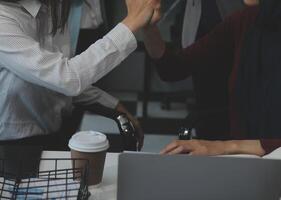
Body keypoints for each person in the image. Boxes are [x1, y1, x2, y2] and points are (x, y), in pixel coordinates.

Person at [0, 0, 161, 150]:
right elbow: (67, 78)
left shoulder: (48, 9)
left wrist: (113, 105)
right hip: (12, 147)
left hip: (51, 136)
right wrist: (132, 22)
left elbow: (55, 76)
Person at [144, 0, 281, 156]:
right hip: (246, 164)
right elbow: (173, 68)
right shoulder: (247, 20)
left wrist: (229, 146)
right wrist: (148, 27)